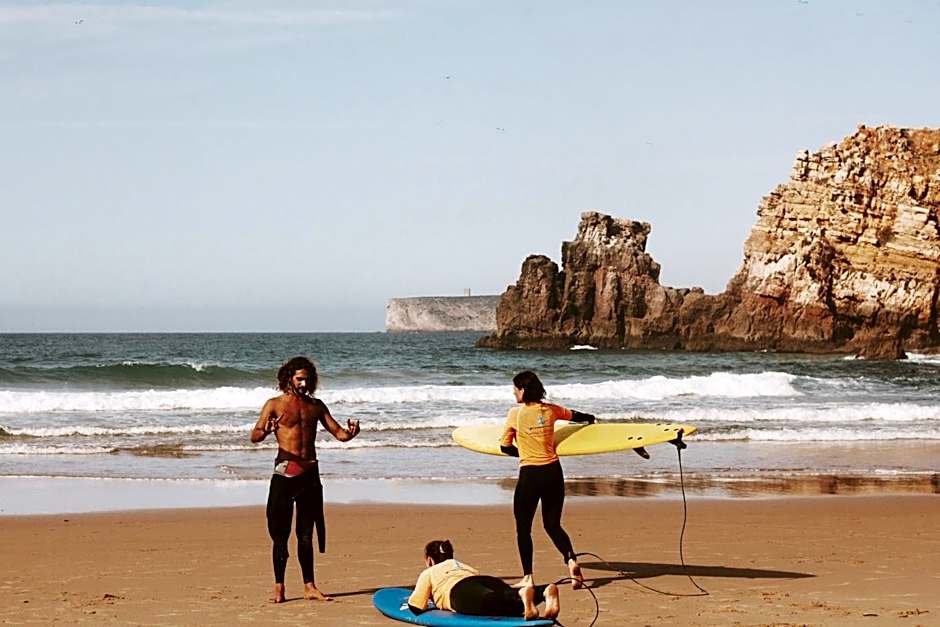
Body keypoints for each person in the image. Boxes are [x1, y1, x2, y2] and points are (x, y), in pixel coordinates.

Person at [250, 356, 361, 603]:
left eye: (307, 380)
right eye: (300, 379)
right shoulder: (274, 405)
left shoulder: (316, 406)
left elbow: (339, 433)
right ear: (289, 377)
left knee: (306, 535)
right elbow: (254, 436)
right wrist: (267, 430)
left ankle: (309, 587)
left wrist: (351, 434)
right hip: (285, 474)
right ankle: (279, 587)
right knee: (280, 535)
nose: (304, 384)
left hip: (309, 476)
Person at [500, 370, 595, 591]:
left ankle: (528, 577)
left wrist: (524, 452)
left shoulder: (515, 414)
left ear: (523, 390)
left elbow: (505, 447)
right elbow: (575, 415)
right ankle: (571, 560)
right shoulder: (552, 410)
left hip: (530, 475)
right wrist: (590, 418)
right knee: (552, 524)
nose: (513, 392)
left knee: (524, 529)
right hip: (553, 472)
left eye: (515, 388)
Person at [407, 539, 560, 621]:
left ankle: (523, 593)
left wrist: (432, 600)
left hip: (458, 591)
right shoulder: (463, 566)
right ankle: (543, 591)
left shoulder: (429, 572)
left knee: (489, 602)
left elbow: (416, 606)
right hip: (482, 580)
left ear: (430, 560)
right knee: (506, 600)